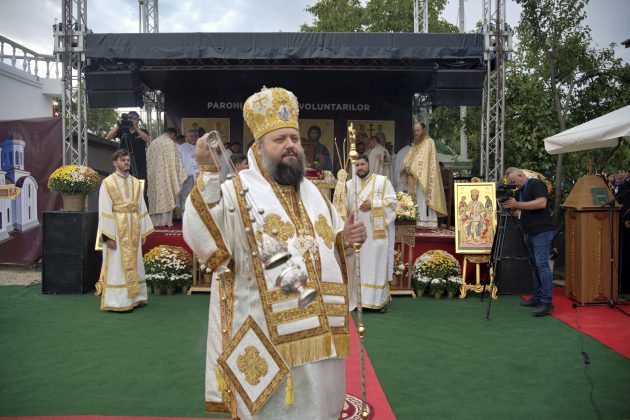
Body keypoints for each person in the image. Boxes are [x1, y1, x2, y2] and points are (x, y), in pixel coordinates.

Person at [183, 87, 366, 419]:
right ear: (259, 148)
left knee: (323, 406)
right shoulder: (237, 191)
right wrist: (208, 172)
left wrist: (346, 240)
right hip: (268, 330)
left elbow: (331, 245)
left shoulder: (315, 194)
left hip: (322, 326)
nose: (290, 145)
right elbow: (204, 233)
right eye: (279, 139)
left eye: (294, 138)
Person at [96, 149, 154, 312]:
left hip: (134, 227)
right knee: (117, 264)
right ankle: (119, 301)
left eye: (128, 160)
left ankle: (137, 298)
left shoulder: (136, 182)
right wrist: (108, 236)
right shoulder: (107, 183)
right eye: (123, 160)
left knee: (136, 262)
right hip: (116, 228)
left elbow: (141, 206)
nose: (126, 162)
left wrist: (143, 231)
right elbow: (104, 210)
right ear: (115, 163)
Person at [345, 154, 397, 312]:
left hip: (375, 235)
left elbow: (393, 203)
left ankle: (377, 301)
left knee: (376, 265)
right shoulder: (349, 185)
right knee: (358, 266)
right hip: (357, 233)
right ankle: (358, 300)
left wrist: (374, 204)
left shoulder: (382, 181)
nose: (360, 168)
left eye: (363, 164)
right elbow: (344, 208)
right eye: (357, 165)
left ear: (369, 165)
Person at [503, 167, 555, 317]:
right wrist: (510, 206)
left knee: (542, 265)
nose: (513, 184)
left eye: (514, 181)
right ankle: (537, 297)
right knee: (535, 266)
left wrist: (517, 205)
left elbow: (542, 203)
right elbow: (519, 209)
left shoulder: (535, 184)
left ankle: (547, 302)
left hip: (541, 231)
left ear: (521, 175)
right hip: (529, 232)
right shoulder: (520, 190)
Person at [400, 122, 447, 228]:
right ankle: (417, 219)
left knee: (423, 198)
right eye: (415, 131)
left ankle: (426, 221)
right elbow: (409, 157)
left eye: (418, 130)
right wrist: (406, 166)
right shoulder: (416, 144)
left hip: (425, 177)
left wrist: (412, 168)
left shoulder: (429, 142)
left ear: (424, 130)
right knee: (416, 198)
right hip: (414, 176)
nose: (416, 133)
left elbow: (423, 159)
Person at [146, 128, 187, 227]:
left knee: (156, 197)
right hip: (167, 176)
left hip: (154, 177)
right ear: (173, 135)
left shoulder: (153, 143)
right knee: (167, 195)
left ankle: (155, 221)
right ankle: (165, 221)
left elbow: (148, 159)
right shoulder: (170, 143)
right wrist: (180, 173)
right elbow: (176, 162)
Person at [106, 111, 151, 183]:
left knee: (140, 184)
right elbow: (108, 137)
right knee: (123, 183)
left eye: (134, 118)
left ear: (138, 120)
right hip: (124, 162)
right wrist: (119, 125)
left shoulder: (142, 131)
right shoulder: (123, 131)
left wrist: (135, 128)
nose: (132, 120)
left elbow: (147, 139)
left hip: (139, 164)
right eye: (130, 118)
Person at [176, 128, 200, 213]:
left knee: (198, 196)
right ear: (187, 137)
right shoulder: (181, 148)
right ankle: (185, 214)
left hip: (199, 176)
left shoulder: (200, 146)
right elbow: (178, 162)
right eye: (191, 136)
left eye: (195, 136)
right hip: (187, 176)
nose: (193, 138)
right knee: (186, 196)